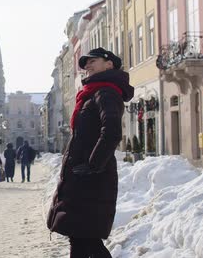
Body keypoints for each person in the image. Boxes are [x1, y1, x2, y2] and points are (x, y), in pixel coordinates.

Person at [47, 48, 133, 258]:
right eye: (85, 63)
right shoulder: (93, 93)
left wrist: (93, 165)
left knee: (87, 241)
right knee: (80, 239)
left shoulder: (106, 92)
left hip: (92, 179)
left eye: (93, 61)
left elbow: (112, 131)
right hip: (82, 178)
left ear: (109, 64)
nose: (87, 66)